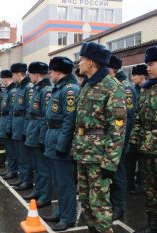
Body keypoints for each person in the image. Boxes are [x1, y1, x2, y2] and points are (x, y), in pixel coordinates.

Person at [72, 42, 127, 233]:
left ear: (91, 62)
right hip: (83, 153)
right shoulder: (87, 86)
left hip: (99, 157)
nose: (78, 63)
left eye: (81, 60)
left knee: (100, 204)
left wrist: (110, 164)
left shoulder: (113, 88)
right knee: (86, 201)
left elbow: (118, 128)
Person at [42, 57, 79, 231]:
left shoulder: (70, 90)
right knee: (58, 181)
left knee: (65, 183)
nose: (50, 74)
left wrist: (62, 145)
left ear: (59, 71)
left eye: (52, 70)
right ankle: (60, 211)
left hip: (61, 141)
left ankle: (68, 217)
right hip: (53, 137)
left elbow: (69, 121)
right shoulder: (59, 88)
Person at [107, 55, 137, 220]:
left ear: (111, 69)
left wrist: (121, 142)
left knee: (119, 174)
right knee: (112, 174)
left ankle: (119, 207)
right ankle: (112, 203)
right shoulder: (112, 85)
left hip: (120, 140)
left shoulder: (125, 88)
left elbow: (128, 117)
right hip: (112, 140)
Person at [132, 46, 157, 233]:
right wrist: (134, 140)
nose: (148, 68)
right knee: (149, 188)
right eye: (147, 64)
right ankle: (152, 223)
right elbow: (138, 118)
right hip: (147, 147)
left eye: (151, 64)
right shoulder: (146, 89)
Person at [23, 62, 53, 209]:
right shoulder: (36, 88)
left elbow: (47, 116)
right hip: (33, 129)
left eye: (31, 74)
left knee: (43, 167)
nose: (29, 76)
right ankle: (38, 190)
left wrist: (42, 137)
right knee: (36, 165)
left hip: (40, 130)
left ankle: (45, 196)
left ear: (37, 74)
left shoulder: (46, 90)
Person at [8, 63, 33, 191]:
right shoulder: (19, 88)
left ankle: (27, 180)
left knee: (25, 156)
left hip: (22, 124)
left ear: (19, 73)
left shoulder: (28, 88)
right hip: (16, 125)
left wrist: (25, 129)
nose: (12, 77)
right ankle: (23, 178)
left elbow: (30, 111)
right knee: (20, 155)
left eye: (13, 74)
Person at [127, 64, 148, 195]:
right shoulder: (132, 90)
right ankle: (130, 185)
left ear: (142, 76)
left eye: (135, 75)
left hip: (145, 133)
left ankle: (141, 185)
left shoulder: (149, 90)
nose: (133, 78)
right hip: (133, 132)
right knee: (130, 160)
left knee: (143, 162)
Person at [0, 70, 18, 180]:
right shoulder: (8, 91)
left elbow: (11, 111)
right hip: (4, 122)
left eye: (2, 79)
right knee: (9, 149)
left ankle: (13, 170)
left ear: (6, 79)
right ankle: (10, 169)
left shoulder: (13, 91)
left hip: (8, 123)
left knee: (11, 150)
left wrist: (9, 127)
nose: (2, 82)